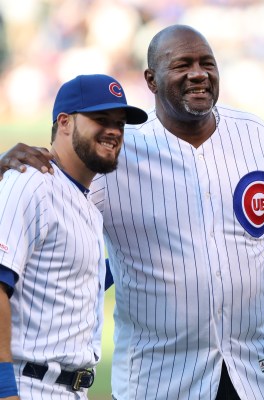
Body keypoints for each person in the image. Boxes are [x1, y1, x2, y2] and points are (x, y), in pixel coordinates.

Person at [0, 25, 264, 400]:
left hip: (252, 374)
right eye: (183, 64)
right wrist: (5, 168)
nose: (198, 73)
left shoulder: (256, 137)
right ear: (152, 81)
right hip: (158, 383)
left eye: (207, 63)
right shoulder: (115, 155)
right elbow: (53, 200)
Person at [0, 74, 148, 399]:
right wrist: (4, 389)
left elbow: (68, 281)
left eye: (120, 123)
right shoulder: (32, 182)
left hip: (68, 390)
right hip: (27, 386)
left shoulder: (85, 203)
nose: (114, 130)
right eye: (101, 119)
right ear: (64, 122)